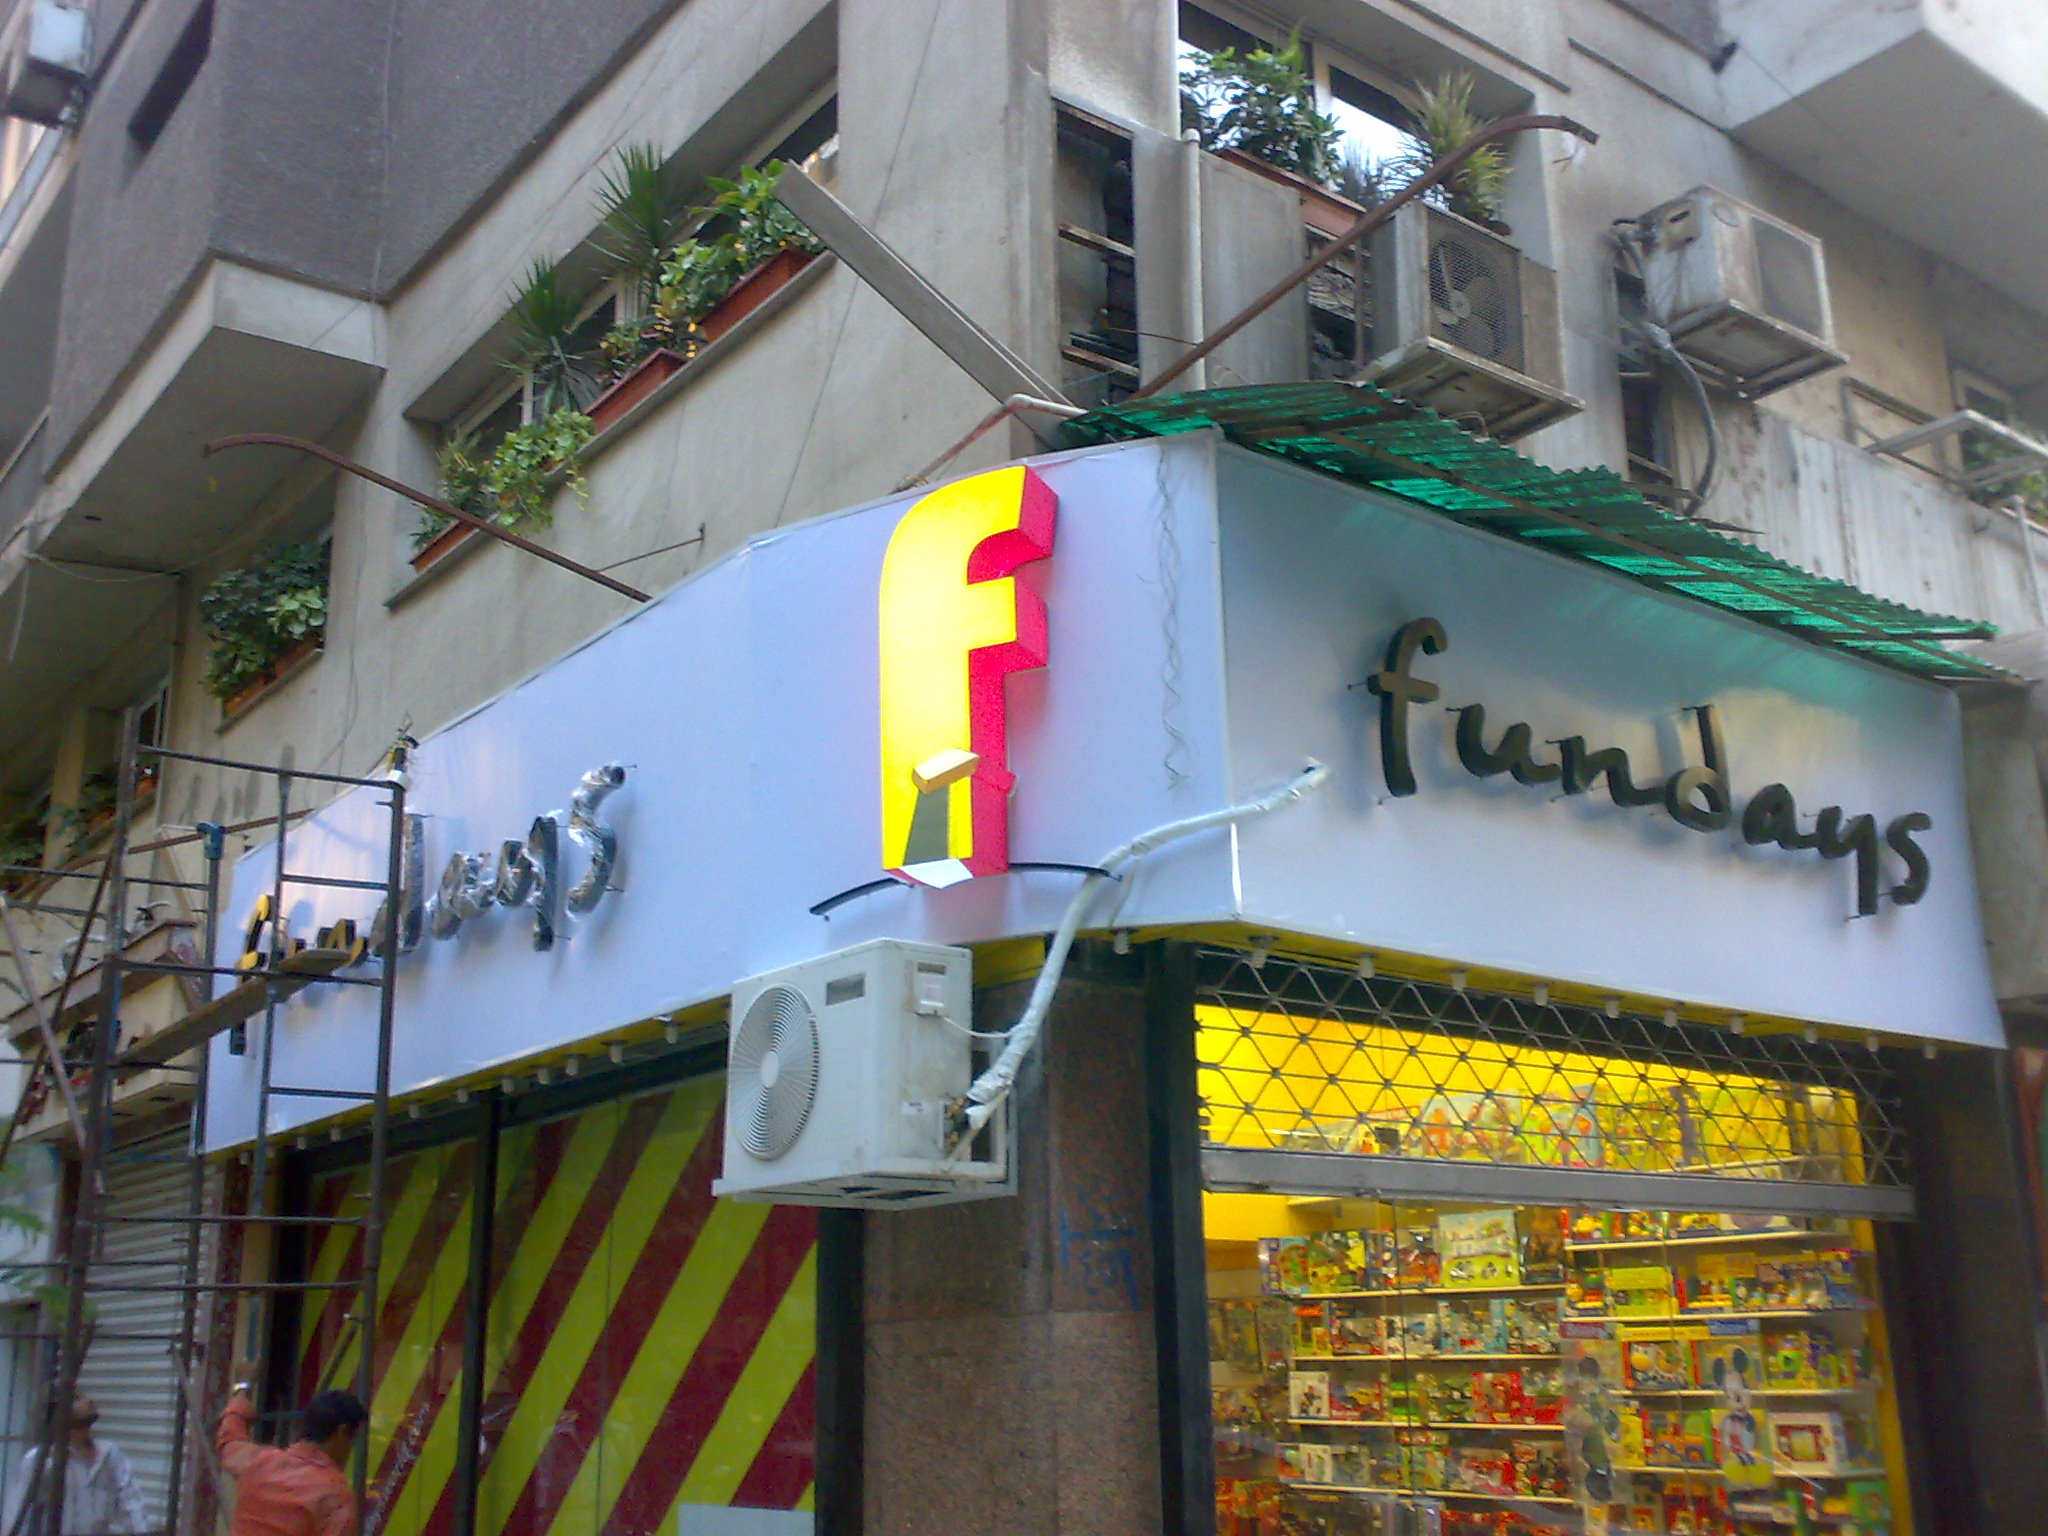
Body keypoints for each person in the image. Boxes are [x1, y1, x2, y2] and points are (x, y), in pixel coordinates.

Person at [215, 1388, 366, 1536]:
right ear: (342, 1432)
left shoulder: (259, 1461)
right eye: (353, 1439)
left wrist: (236, 1409)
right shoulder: (335, 1497)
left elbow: (229, 1444)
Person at [18, 1395, 147, 1536]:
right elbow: (25, 1514)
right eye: (77, 1398)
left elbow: (130, 1502)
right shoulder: (41, 1460)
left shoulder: (109, 1455)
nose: (88, 1400)